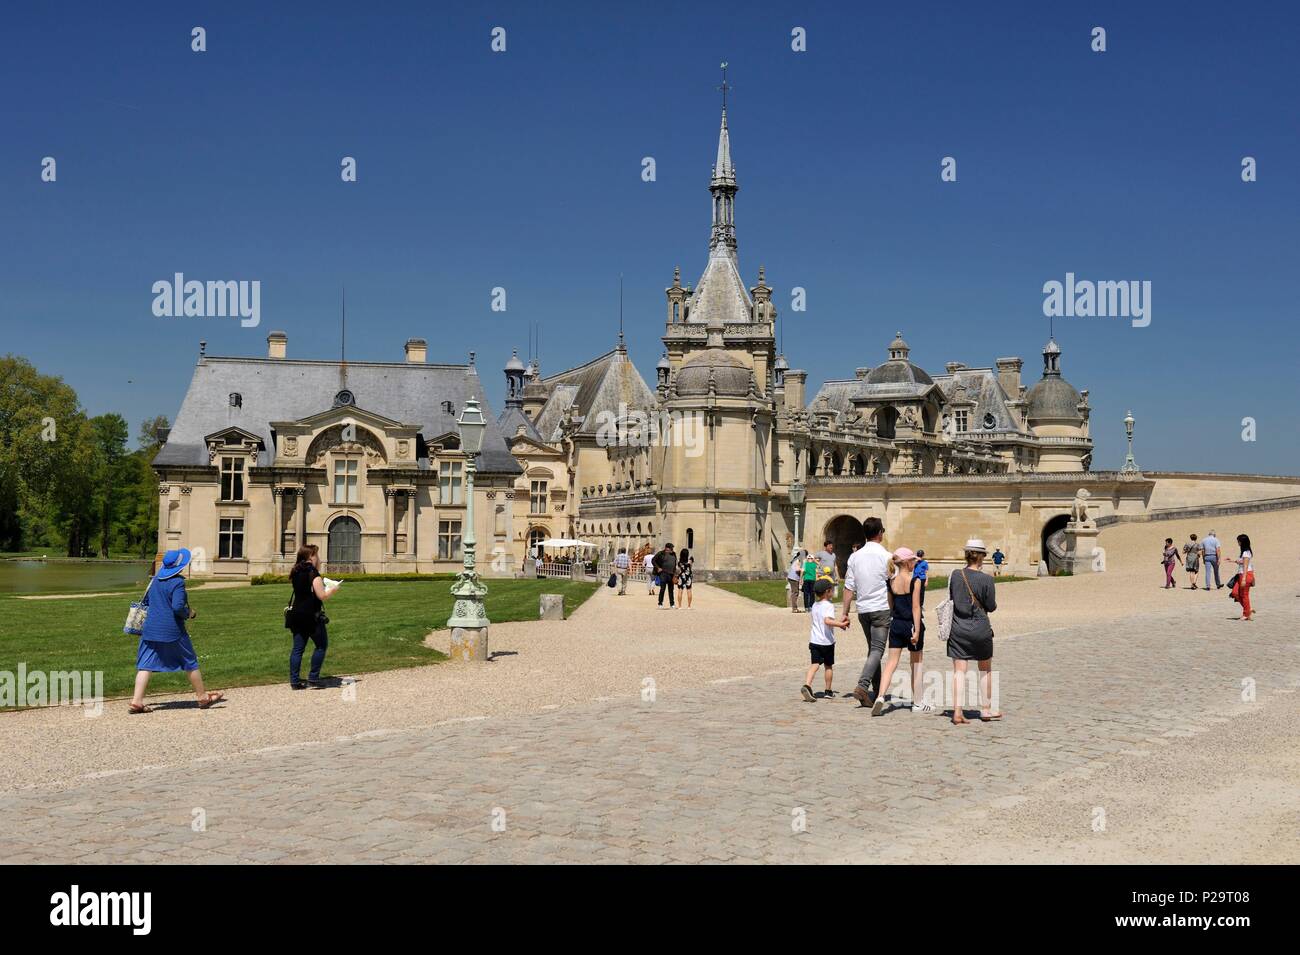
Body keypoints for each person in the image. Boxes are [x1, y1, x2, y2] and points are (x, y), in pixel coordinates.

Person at [129, 548, 224, 713]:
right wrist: (190, 613)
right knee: (190, 662)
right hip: (172, 630)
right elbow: (177, 607)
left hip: (150, 628)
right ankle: (202, 697)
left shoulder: (155, 579)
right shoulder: (178, 582)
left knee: (145, 665)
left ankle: (137, 701)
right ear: (180, 566)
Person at [873, 547, 934, 715]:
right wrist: (916, 630)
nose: (915, 562)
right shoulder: (915, 580)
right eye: (913, 560)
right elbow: (916, 607)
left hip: (896, 624)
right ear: (907, 562)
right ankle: (918, 703)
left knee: (891, 663)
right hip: (911, 624)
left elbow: (890, 605)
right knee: (916, 664)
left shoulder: (891, 581)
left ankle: (880, 696)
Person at [947, 539, 1000, 725]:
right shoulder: (987, 579)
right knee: (985, 669)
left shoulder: (955, 574)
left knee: (959, 672)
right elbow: (991, 606)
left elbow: (952, 597)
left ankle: (957, 712)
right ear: (982, 557)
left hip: (958, 628)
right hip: (980, 628)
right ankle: (985, 710)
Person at [842, 516, 891, 707]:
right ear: (880, 533)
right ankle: (863, 686)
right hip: (880, 609)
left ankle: (877, 691)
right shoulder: (886, 556)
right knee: (878, 650)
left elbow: (848, 587)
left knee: (873, 651)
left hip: (863, 610)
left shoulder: (855, 557)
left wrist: (845, 612)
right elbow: (893, 584)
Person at [287, 544, 337, 689]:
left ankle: (295, 681)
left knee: (297, 649)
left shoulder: (295, 571)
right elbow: (322, 595)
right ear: (311, 557)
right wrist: (333, 589)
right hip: (311, 616)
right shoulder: (313, 573)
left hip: (296, 614)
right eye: (317, 555)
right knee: (321, 645)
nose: (319, 558)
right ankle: (313, 678)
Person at [801, 578, 851, 702]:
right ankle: (828, 691)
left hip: (814, 641)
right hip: (826, 642)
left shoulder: (814, 605)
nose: (833, 592)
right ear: (827, 591)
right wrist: (841, 624)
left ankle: (807, 685)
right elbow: (827, 621)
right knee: (828, 666)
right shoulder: (828, 605)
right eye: (832, 590)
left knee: (814, 664)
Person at [1227, 534, 1255, 621]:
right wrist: (1232, 560)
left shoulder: (1246, 552)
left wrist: (1243, 578)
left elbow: (1246, 565)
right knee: (1235, 593)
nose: (1238, 543)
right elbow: (1241, 562)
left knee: (1244, 595)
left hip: (1245, 575)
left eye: (1238, 541)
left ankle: (1246, 614)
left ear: (1242, 542)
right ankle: (1248, 609)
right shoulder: (1244, 552)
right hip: (1241, 574)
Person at [654, 543, 678, 608]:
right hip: (663, 573)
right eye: (671, 548)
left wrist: (675, 573)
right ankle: (660, 603)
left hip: (671, 574)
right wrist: (658, 568)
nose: (672, 549)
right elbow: (653, 560)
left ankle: (672, 604)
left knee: (671, 590)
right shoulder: (661, 553)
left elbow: (675, 563)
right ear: (666, 548)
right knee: (662, 589)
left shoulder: (674, 554)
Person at [786, 549, 806, 613]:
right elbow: (797, 569)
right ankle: (794, 608)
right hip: (794, 578)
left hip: (791, 577)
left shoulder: (796, 559)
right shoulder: (798, 560)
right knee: (795, 593)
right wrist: (802, 569)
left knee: (794, 592)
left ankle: (794, 608)